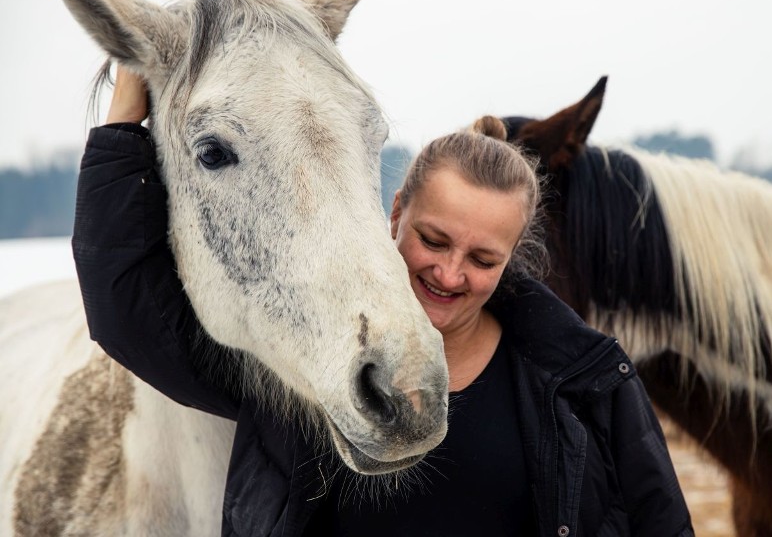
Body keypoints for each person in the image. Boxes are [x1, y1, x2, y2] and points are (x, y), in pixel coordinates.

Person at [72, 66, 693, 536]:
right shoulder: (308, 364)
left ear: (513, 259)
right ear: (395, 212)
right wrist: (126, 115)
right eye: (433, 239)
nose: (450, 274)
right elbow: (129, 311)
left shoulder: (588, 383)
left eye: (483, 260)